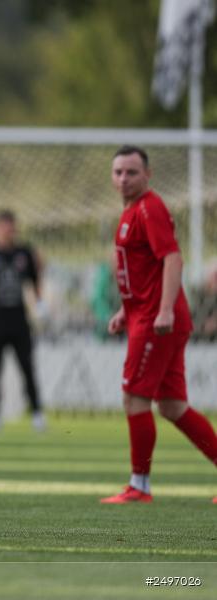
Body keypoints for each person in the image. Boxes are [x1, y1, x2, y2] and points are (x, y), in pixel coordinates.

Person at [100, 145, 217, 504]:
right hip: (146, 314)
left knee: (134, 397)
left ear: (147, 175)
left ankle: (140, 485)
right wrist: (125, 307)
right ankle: (141, 483)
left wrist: (164, 310)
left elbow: (172, 259)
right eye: (118, 171)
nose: (123, 178)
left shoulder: (149, 207)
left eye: (131, 172)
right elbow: (142, 269)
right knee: (171, 405)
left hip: (157, 320)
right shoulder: (131, 211)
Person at [0, 209, 45, 433]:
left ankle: (37, 413)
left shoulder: (24, 253)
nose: (7, 231)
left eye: (11, 227)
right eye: (3, 226)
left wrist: (39, 303)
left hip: (19, 322)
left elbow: (34, 280)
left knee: (27, 368)